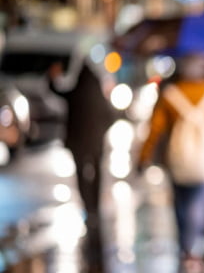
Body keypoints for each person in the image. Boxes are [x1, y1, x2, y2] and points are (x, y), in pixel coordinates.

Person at [137, 53, 204, 273]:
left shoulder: (171, 93)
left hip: (177, 161)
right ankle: (192, 251)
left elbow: (155, 129)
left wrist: (143, 157)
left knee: (181, 206)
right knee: (198, 204)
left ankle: (186, 248)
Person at [48, 58, 116, 273]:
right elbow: (110, 116)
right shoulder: (97, 94)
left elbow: (57, 92)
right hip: (95, 144)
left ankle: (89, 204)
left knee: (81, 175)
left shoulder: (76, 92)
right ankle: (93, 204)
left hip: (78, 143)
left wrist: (52, 77)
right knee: (96, 175)